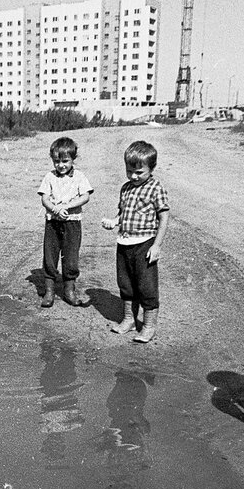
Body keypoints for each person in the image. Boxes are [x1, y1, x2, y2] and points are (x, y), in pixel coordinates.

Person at [101, 140, 170, 342]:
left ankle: (149, 326)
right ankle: (129, 320)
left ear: (152, 168)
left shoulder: (156, 187)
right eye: (129, 170)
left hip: (145, 244)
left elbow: (164, 216)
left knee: (147, 287)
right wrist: (114, 222)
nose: (133, 176)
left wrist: (157, 245)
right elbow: (123, 213)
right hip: (124, 243)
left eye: (139, 172)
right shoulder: (126, 188)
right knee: (126, 284)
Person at [37, 136, 92, 308]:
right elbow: (44, 198)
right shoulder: (49, 177)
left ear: (73, 159)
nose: (61, 165)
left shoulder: (80, 177)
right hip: (53, 222)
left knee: (71, 256)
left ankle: (69, 290)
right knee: (50, 255)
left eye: (65, 161)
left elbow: (85, 196)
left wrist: (67, 206)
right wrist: (55, 208)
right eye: (57, 161)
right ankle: (49, 291)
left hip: (72, 222)